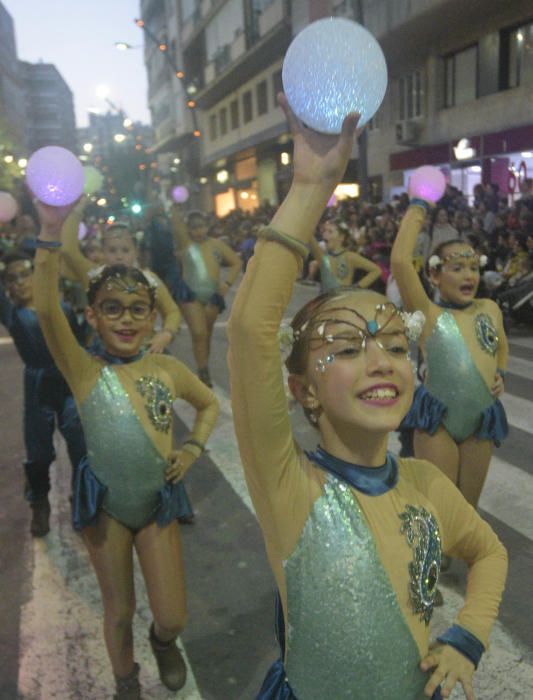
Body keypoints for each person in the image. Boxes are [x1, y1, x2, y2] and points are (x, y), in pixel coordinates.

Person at [227, 95, 507, 700]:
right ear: (303, 391)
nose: (380, 360)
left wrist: (468, 636)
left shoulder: (427, 486)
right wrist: (309, 188)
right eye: (348, 347)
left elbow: (489, 553)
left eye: (395, 346)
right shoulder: (290, 487)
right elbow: (251, 332)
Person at [33, 201, 219, 699]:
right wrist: (50, 234)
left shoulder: (166, 369)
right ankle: (125, 681)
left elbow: (208, 406)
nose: (127, 320)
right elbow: (47, 309)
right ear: (91, 316)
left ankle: (163, 643)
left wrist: (193, 449)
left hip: (156, 501)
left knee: (173, 614)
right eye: (112, 309)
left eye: (139, 309)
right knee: (117, 609)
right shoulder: (84, 370)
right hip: (107, 509)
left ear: (151, 314)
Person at [392, 201, 509, 511]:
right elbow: (401, 262)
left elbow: (501, 348)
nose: (468, 275)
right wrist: (418, 207)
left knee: (467, 508)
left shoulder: (490, 309)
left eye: (473, 267)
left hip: (480, 418)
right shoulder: (428, 313)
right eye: (457, 268)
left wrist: (500, 375)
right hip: (438, 421)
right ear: (434, 275)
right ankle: (434, 558)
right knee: (441, 508)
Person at [0, 252, 86, 536]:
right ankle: (39, 502)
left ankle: (81, 496)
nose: (19, 283)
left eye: (25, 275)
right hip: (38, 386)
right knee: (38, 454)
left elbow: (81, 343)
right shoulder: (13, 314)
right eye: (12, 279)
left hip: (68, 382)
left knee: (80, 443)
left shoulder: (63, 308)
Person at [61, 202, 181, 354]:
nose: (119, 256)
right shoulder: (94, 276)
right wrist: (77, 208)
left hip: (144, 352)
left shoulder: (149, 280)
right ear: (103, 251)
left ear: (135, 251)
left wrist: (166, 333)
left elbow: (172, 311)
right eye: (112, 250)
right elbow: (67, 250)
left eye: (125, 250)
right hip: (105, 355)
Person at [170, 206, 241, 387]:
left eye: (201, 226)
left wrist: (227, 284)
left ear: (207, 226)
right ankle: (203, 372)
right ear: (188, 229)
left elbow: (236, 262)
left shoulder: (216, 245)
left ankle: (204, 367)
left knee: (206, 335)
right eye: (194, 227)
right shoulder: (185, 243)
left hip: (212, 296)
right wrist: (173, 207)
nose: (198, 231)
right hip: (190, 295)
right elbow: (176, 225)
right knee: (199, 333)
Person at [309, 218, 381, 292]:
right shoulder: (323, 256)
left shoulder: (350, 257)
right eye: (325, 231)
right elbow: (309, 237)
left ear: (341, 237)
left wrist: (358, 286)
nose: (325, 234)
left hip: (343, 301)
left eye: (330, 232)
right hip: (325, 301)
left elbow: (376, 270)